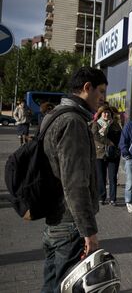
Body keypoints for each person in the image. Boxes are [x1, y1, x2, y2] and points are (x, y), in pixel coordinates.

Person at [40, 67, 107, 292]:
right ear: (87, 88)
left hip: (56, 218)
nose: (103, 99)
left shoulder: (55, 115)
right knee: (65, 286)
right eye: (101, 92)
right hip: (70, 224)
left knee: (52, 284)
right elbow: (75, 183)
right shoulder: (73, 122)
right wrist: (89, 231)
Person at [91, 106, 122, 206]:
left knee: (112, 177)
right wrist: (109, 142)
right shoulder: (96, 124)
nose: (106, 114)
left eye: (108, 113)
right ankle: (102, 197)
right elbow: (96, 136)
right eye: (104, 113)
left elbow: (120, 137)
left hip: (113, 154)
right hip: (100, 154)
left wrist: (116, 146)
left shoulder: (115, 124)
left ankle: (113, 199)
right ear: (100, 114)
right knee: (101, 177)